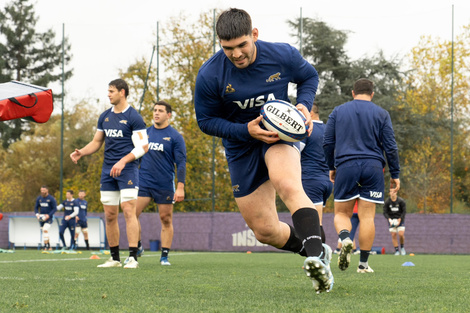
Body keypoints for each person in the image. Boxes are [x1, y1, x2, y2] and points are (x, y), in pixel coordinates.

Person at [194, 8, 333, 293]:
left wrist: (304, 105)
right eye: (228, 48)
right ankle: (314, 251)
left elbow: (309, 77)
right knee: (265, 231)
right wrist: (246, 130)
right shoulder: (210, 74)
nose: (236, 54)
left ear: (254, 35)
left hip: (279, 138)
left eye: (242, 45)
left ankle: (319, 260)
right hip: (240, 148)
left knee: (288, 184)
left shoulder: (282, 55)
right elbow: (205, 121)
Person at [323, 78, 400, 274]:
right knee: (367, 217)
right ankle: (364, 265)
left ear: (352, 92)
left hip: (346, 166)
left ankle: (346, 238)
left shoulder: (338, 111)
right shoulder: (382, 113)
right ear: (372, 94)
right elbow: (390, 147)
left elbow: (327, 142)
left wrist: (331, 166)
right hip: (373, 167)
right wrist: (395, 173)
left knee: (341, 213)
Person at [70, 78, 149, 269]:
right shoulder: (104, 116)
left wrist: (123, 161)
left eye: (112, 91)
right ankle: (114, 258)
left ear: (122, 92)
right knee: (110, 214)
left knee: (129, 211)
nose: (108, 94)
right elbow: (97, 142)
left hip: (128, 169)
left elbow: (144, 146)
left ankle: (132, 258)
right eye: (108, 91)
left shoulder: (134, 117)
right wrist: (81, 152)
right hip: (108, 171)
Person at [132, 101, 187, 266]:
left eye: (160, 111)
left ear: (168, 115)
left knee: (165, 219)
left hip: (164, 184)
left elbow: (181, 163)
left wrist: (180, 187)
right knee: (132, 215)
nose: (156, 113)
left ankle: (164, 256)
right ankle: (138, 246)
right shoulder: (145, 133)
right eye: (155, 110)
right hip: (143, 182)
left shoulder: (175, 136)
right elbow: (135, 157)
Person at [299, 103, 332, 244]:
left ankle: (320, 259)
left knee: (314, 225)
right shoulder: (328, 130)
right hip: (327, 183)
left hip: (311, 180)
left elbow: (294, 152)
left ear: (310, 113)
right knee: (316, 222)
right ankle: (319, 258)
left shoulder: (307, 130)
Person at [383, 190, 407, 255]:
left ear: (396, 193)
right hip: (392, 221)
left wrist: (400, 219)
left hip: (400, 220)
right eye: (391, 192)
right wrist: (389, 219)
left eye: (394, 192)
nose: (392, 193)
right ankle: (396, 250)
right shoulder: (387, 202)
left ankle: (402, 248)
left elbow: (404, 211)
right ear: (389, 193)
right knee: (393, 235)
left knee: (401, 234)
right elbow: (385, 212)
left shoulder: (401, 201)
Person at [34, 186, 58, 251]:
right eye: (41, 190)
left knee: (45, 229)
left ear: (47, 190)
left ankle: (45, 247)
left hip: (49, 218)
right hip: (41, 218)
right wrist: (37, 215)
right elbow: (36, 208)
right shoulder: (39, 198)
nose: (42, 192)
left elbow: (55, 209)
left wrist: (48, 215)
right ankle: (49, 246)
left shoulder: (51, 198)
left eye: (44, 190)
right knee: (44, 231)